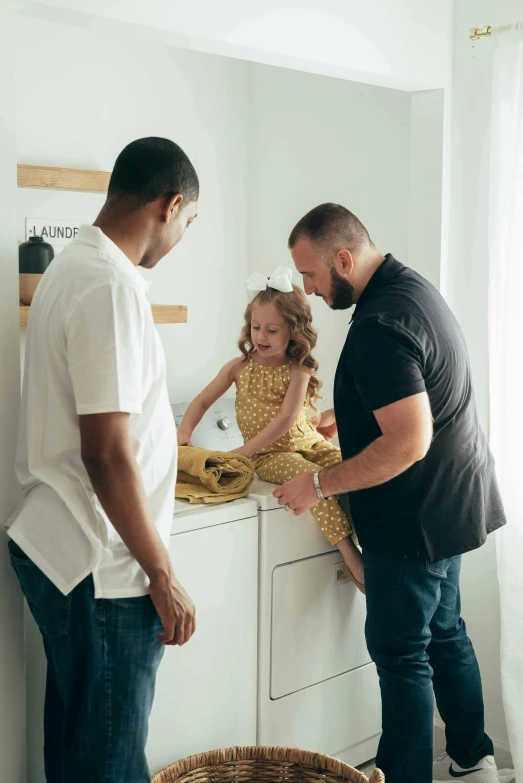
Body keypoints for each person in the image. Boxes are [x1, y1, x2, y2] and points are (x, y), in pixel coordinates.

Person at [275, 203, 506, 783]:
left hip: (412, 519)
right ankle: (472, 761)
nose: (307, 289)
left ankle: (403, 776)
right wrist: (344, 414)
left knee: (401, 654)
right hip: (452, 503)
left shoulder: (378, 323)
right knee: (447, 634)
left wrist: (318, 482)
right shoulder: (412, 290)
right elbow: (415, 391)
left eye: (310, 274)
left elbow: (407, 442)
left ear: (344, 259)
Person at [7, 137, 199, 783]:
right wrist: (161, 571)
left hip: (58, 541)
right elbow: (107, 450)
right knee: (109, 758)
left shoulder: (70, 266)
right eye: (188, 222)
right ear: (170, 205)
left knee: (78, 740)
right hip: (103, 566)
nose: (181, 238)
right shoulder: (109, 286)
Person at [177, 268, 364, 589]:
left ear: (293, 331)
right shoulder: (238, 368)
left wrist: (243, 451)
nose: (260, 336)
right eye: (255, 327)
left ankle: (373, 546)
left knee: (355, 475)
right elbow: (202, 401)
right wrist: (184, 433)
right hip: (269, 455)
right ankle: (350, 555)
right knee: (316, 485)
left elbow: (290, 418)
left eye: (272, 330)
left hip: (309, 443)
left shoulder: (298, 368)